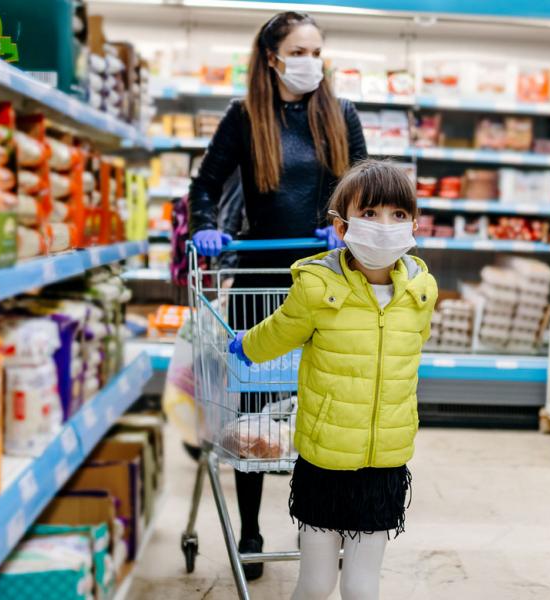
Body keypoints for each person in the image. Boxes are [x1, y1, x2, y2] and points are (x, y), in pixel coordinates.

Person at [188, 11, 367, 580]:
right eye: (299, 51)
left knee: (320, 411)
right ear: (271, 57)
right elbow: (204, 186)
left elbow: (366, 184)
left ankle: (317, 522)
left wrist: (342, 224)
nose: (310, 61)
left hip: (326, 285)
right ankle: (250, 528)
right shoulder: (245, 118)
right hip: (261, 285)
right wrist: (206, 225)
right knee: (252, 419)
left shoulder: (342, 115)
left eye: (317, 51)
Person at [230, 160, 438, 600]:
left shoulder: (420, 292)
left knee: (364, 586)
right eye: (370, 213)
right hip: (324, 462)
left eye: (398, 215)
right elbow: (280, 330)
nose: (385, 226)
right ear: (341, 227)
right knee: (316, 582)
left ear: (414, 224)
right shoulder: (317, 287)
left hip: (385, 463)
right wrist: (247, 345)